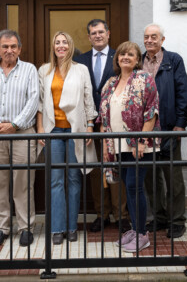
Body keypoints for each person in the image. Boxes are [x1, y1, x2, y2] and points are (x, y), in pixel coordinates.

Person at [0, 30, 39, 247]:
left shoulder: (30, 69)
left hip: (22, 133)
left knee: (23, 181)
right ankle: (1, 227)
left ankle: (25, 227)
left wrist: (14, 125)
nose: (9, 50)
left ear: (19, 49)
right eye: (5, 47)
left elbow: (33, 100)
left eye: (13, 46)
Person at [98, 41, 160, 253]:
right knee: (128, 188)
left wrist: (142, 141)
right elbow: (104, 117)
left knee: (134, 187)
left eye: (130, 54)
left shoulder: (145, 79)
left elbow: (151, 112)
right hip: (116, 145)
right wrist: (106, 145)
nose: (125, 57)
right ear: (117, 58)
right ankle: (135, 229)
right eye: (122, 54)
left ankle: (142, 234)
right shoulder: (110, 83)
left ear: (137, 59)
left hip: (138, 145)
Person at [36, 31, 97, 245]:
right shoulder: (44, 70)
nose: (61, 46)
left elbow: (88, 98)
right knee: (55, 180)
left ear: (70, 46)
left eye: (64, 42)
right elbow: (40, 102)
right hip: (53, 132)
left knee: (73, 178)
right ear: (53, 47)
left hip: (75, 130)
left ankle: (72, 226)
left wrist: (90, 126)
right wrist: (40, 128)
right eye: (57, 42)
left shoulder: (81, 70)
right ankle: (57, 229)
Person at [74, 19, 130, 233]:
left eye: (100, 32)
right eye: (93, 33)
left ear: (108, 33)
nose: (97, 36)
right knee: (96, 171)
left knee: (116, 169)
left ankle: (121, 215)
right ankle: (101, 214)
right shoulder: (79, 61)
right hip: (89, 125)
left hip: (115, 125)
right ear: (88, 37)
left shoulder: (121, 57)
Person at [142, 23, 187, 239]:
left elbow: (182, 90)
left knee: (174, 178)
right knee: (151, 178)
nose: (149, 40)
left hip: (169, 128)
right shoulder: (139, 61)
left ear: (162, 40)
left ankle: (177, 220)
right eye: (146, 37)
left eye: (154, 36)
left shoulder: (173, 60)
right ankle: (159, 218)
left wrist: (180, 122)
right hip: (147, 130)